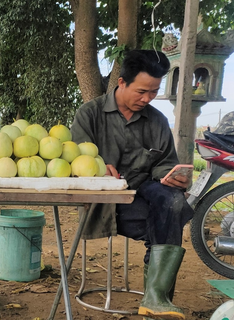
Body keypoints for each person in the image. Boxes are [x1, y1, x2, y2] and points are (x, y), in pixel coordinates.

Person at [70, 49, 193, 320]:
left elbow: (164, 162)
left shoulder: (157, 120)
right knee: (169, 218)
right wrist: (97, 169)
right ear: (122, 82)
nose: (147, 98)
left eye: (153, 92)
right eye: (141, 91)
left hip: (147, 191)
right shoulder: (89, 115)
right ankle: (157, 297)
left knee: (173, 200)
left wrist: (171, 176)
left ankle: (155, 298)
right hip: (106, 202)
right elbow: (73, 162)